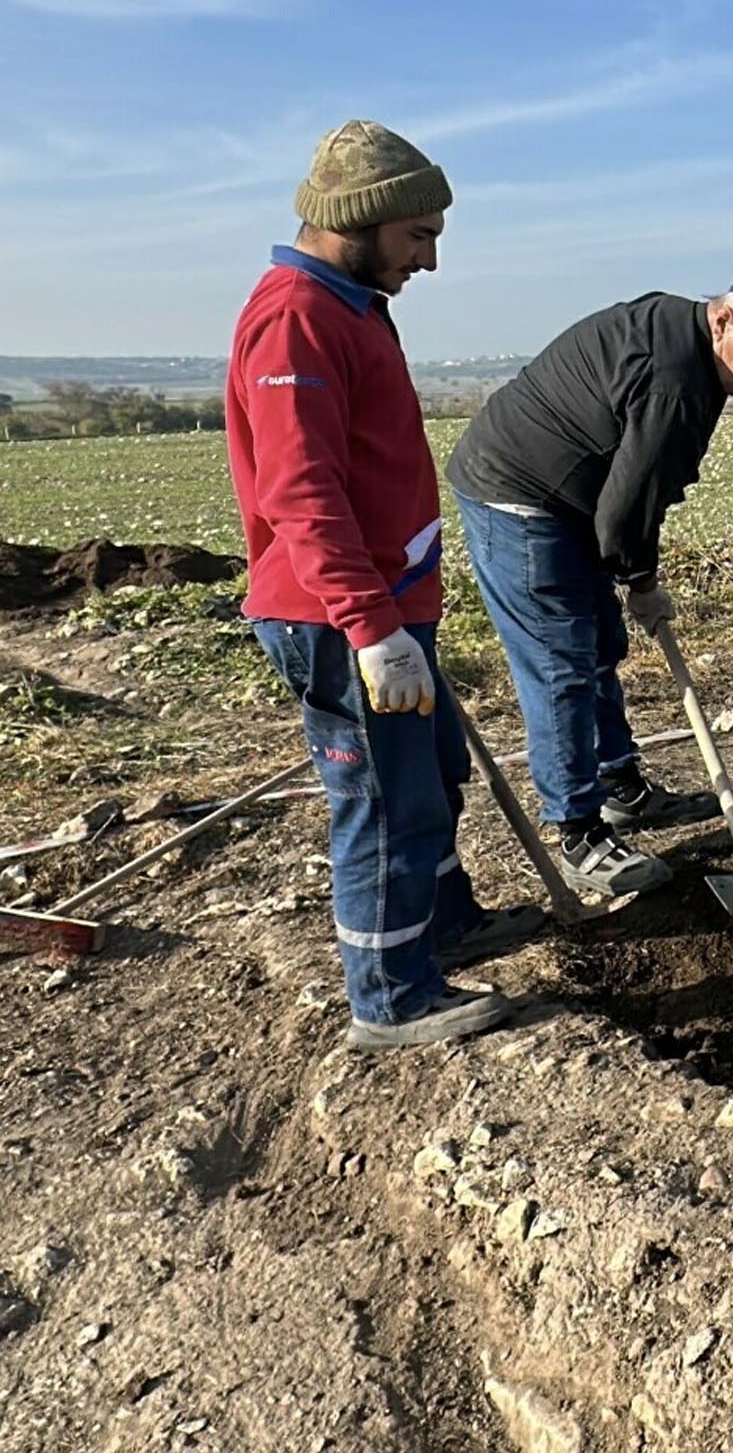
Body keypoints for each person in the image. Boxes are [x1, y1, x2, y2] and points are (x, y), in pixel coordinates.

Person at [225, 121, 520, 1050]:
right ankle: (390, 998)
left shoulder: (350, 305)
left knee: (431, 777)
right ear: (358, 220)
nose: (428, 261)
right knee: (385, 805)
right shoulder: (296, 317)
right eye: (417, 236)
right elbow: (300, 490)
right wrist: (371, 628)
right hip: (338, 616)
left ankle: (443, 927)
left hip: (384, 605)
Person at [446, 272, 733, 897]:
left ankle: (621, 789)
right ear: (722, 319)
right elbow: (626, 513)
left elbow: (637, 489)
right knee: (561, 663)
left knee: (600, 644)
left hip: (573, 499)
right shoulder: (676, 382)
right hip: (519, 494)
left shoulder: (690, 341)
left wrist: (631, 575)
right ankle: (578, 833)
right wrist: (643, 582)